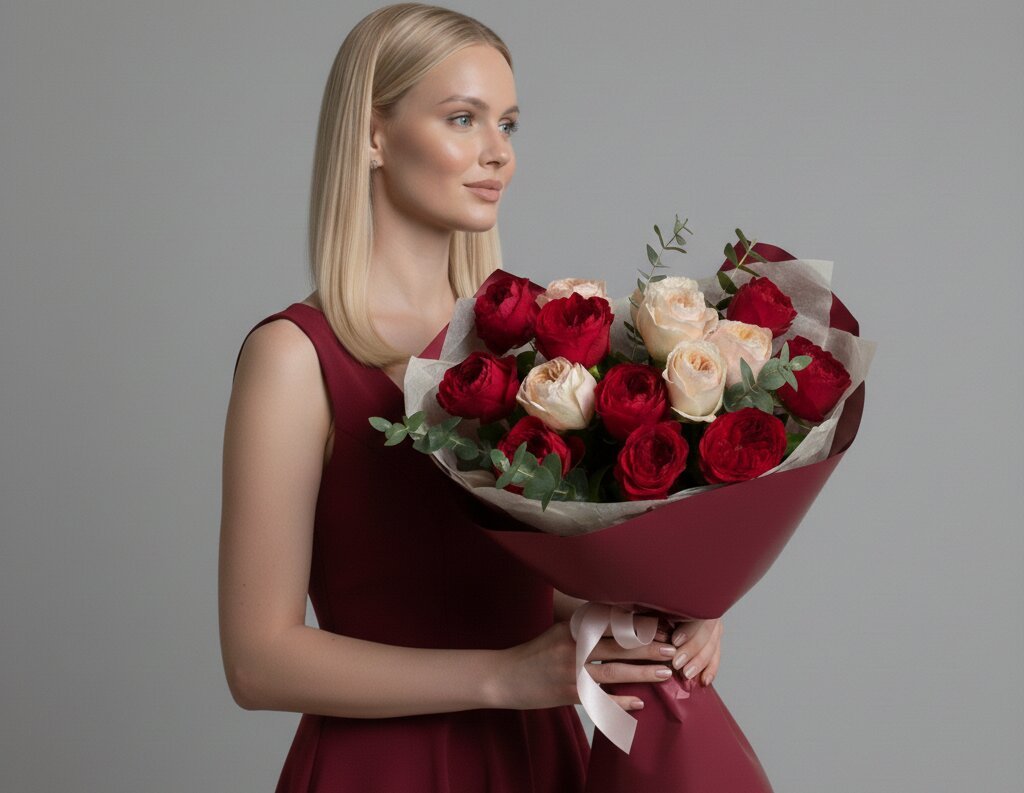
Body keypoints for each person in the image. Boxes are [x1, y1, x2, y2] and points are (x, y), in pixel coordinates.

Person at [218, 4, 723, 791]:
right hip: (382, 768)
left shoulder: (532, 355)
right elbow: (258, 660)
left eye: (509, 125)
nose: (498, 155)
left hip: (536, 753)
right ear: (373, 136)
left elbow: (503, 580)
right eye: (463, 118)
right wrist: (503, 677)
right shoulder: (293, 358)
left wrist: (651, 617)